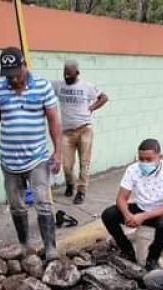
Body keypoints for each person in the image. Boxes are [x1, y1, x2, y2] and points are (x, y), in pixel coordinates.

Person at [0, 47, 63, 260]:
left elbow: (53, 120)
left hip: (37, 158)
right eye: (8, 76)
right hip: (9, 159)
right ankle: (24, 244)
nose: (13, 80)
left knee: (42, 201)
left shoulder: (42, 86)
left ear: (24, 65)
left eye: (16, 74)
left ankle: (50, 248)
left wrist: (58, 152)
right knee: (16, 203)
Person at [101, 139, 163, 271]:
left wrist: (142, 217)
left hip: (161, 212)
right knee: (109, 214)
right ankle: (127, 250)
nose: (144, 163)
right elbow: (121, 198)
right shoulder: (133, 170)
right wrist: (128, 215)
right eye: (141, 159)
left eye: (149, 159)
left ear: (159, 157)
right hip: (141, 208)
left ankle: (153, 258)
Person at [52, 60, 108, 205]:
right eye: (65, 74)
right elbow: (44, 92)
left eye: (69, 75)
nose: (66, 77)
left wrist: (92, 107)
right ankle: (70, 184)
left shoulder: (87, 87)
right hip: (66, 132)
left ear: (77, 73)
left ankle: (81, 191)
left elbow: (104, 97)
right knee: (67, 165)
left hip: (85, 129)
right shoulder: (58, 85)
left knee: (85, 163)